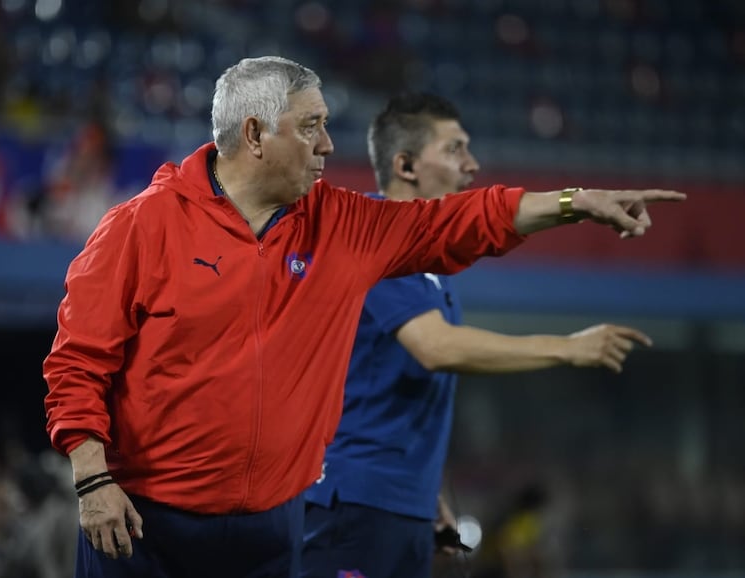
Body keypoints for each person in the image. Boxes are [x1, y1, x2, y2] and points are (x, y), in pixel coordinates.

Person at [42, 56, 684, 578]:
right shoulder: (139, 226)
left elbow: (464, 218)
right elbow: (77, 362)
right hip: (145, 524)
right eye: (311, 126)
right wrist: (92, 479)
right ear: (256, 135)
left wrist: (575, 202)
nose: (327, 144)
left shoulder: (342, 226)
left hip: (271, 529)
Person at [299, 92, 655, 578]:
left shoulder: (428, 263)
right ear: (405, 165)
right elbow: (434, 347)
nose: (472, 163)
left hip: (397, 502)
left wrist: (430, 496)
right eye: (454, 149)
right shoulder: (371, 238)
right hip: (356, 501)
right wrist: (568, 346)